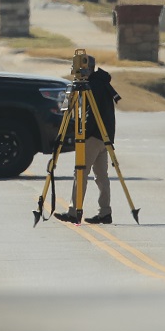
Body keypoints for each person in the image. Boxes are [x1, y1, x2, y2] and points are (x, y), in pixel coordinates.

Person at [55, 55, 121, 225]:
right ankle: (105, 212)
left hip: (92, 136)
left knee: (80, 173)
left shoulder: (92, 87)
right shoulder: (102, 82)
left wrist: (82, 134)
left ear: (85, 68)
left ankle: (73, 211)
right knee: (101, 176)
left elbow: (90, 115)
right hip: (104, 137)